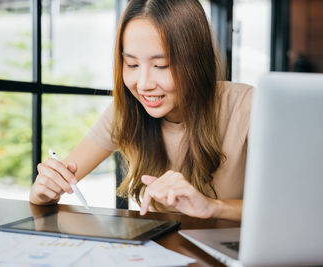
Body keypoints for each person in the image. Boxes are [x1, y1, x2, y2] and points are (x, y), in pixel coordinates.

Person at [29, 0, 252, 221]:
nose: (143, 84)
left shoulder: (246, 105)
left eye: (161, 65)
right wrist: (43, 191)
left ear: (196, 61)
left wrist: (213, 207)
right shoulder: (127, 110)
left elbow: (285, 210)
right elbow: (60, 181)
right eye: (132, 65)